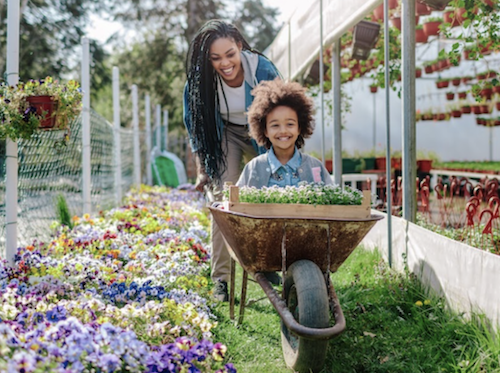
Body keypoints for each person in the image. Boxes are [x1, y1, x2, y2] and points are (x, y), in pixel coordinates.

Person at [183, 19, 281, 301]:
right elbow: (195, 126)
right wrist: (203, 170)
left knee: (272, 190)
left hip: (261, 130)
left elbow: (284, 112)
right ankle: (220, 281)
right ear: (207, 58)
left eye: (229, 54)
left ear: (240, 46)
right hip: (224, 133)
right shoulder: (200, 82)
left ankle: (267, 263)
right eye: (216, 58)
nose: (225, 63)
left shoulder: (261, 69)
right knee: (223, 201)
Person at [236, 78, 332, 188]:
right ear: (265, 131)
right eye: (275, 125)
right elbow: (235, 201)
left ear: (299, 127)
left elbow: (332, 201)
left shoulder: (314, 167)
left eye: (290, 124)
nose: (283, 131)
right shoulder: (254, 167)